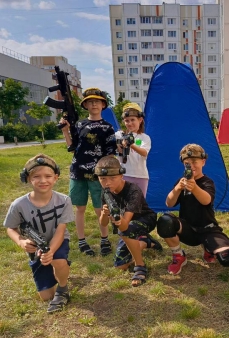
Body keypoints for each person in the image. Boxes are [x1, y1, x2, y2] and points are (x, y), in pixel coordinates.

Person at [4, 154, 74, 313]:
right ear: (28, 179)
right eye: (36, 177)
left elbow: (61, 230)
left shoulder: (64, 200)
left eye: (48, 176)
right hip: (36, 248)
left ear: (56, 178)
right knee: (46, 296)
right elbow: (10, 228)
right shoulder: (19, 205)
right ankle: (57, 269)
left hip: (58, 240)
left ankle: (63, 288)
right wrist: (21, 241)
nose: (43, 181)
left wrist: (51, 252)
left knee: (58, 260)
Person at [156, 144, 229, 275]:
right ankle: (178, 255)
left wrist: (194, 187)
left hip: (208, 229)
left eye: (195, 162)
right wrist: (177, 189)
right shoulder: (180, 182)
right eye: (187, 163)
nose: (191, 166)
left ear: (203, 162)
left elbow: (206, 200)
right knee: (165, 221)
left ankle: (208, 248)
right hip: (187, 229)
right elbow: (169, 203)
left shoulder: (207, 182)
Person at [60, 87, 117, 257]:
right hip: (78, 172)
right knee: (80, 208)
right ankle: (82, 240)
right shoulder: (79, 124)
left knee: (100, 209)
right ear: (85, 105)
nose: (94, 104)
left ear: (103, 105)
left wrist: (105, 174)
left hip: (98, 175)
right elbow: (72, 147)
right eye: (90, 102)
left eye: (97, 101)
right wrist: (65, 130)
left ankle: (105, 239)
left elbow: (110, 153)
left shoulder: (108, 127)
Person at [96, 155, 162, 287]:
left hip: (145, 219)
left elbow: (125, 225)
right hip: (126, 226)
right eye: (103, 179)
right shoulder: (105, 192)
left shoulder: (133, 190)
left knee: (125, 230)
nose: (107, 183)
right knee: (120, 266)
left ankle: (140, 266)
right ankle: (146, 242)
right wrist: (104, 214)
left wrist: (119, 221)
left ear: (121, 176)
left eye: (112, 178)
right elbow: (103, 224)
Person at [114, 102, 151, 196]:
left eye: (132, 120)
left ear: (140, 120)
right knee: (123, 201)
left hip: (141, 176)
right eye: (127, 121)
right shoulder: (118, 135)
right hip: (123, 174)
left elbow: (144, 153)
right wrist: (119, 145)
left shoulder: (144, 137)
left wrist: (131, 144)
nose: (130, 123)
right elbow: (114, 150)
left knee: (140, 202)